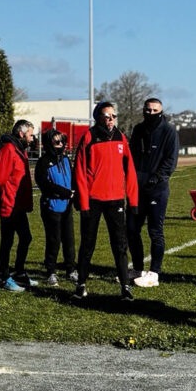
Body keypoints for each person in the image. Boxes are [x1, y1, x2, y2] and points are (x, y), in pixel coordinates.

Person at [73, 102, 139, 302]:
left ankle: (125, 287)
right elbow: (80, 173)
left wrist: (133, 200)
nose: (110, 119)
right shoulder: (88, 138)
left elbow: (131, 171)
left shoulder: (121, 138)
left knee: (120, 245)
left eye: (113, 115)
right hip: (93, 201)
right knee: (87, 244)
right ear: (97, 118)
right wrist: (83, 203)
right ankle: (81, 285)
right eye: (106, 115)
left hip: (116, 200)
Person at [127, 97, 179, 288]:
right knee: (132, 229)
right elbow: (132, 154)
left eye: (154, 111)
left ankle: (154, 272)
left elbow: (171, 160)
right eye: (147, 110)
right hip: (137, 189)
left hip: (157, 189)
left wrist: (155, 178)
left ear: (161, 111)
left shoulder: (169, 131)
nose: (150, 114)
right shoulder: (138, 130)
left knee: (155, 231)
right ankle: (138, 268)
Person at [0, 120, 37, 291]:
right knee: (7, 241)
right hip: (9, 204)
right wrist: (4, 199)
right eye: (31, 134)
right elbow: (1, 179)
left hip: (18, 204)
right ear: (21, 133)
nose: (32, 138)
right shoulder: (9, 149)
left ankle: (19, 272)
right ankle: (4, 277)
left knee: (26, 237)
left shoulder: (19, 149)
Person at [34, 129, 76, 287]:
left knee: (69, 239)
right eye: (56, 142)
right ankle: (51, 271)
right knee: (54, 240)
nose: (61, 145)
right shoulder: (43, 162)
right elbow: (45, 185)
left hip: (66, 206)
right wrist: (65, 193)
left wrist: (73, 193)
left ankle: (71, 269)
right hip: (51, 206)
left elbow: (71, 178)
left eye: (62, 141)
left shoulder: (65, 159)